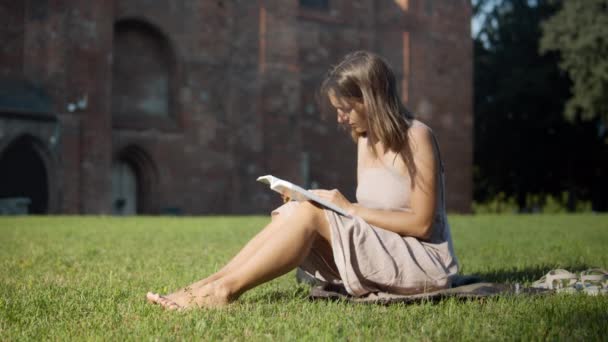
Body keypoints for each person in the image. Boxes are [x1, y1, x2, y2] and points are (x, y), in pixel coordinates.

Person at [146, 50, 459, 310]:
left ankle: (223, 292)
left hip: (423, 262)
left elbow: (421, 225)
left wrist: (347, 208)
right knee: (296, 210)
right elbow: (371, 216)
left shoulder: (417, 137)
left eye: (346, 108)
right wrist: (320, 202)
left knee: (308, 214)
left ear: (370, 99)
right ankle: (206, 285)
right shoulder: (365, 140)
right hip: (385, 250)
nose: (341, 118)